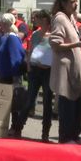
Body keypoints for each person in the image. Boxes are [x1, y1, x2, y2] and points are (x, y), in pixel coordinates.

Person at [49, 0, 81, 144]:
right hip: (66, 72)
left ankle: (74, 136)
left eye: (76, 1)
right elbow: (55, 44)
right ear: (64, 3)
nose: (76, 4)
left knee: (79, 105)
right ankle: (66, 138)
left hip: (76, 70)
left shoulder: (71, 18)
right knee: (68, 107)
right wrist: (77, 44)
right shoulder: (59, 18)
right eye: (72, 2)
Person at [14, 10, 54, 141]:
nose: (37, 21)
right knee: (29, 99)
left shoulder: (54, 35)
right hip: (35, 70)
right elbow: (30, 51)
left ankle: (45, 133)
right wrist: (29, 67)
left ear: (46, 21)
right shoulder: (36, 34)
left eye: (40, 19)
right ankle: (18, 127)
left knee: (47, 102)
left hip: (48, 71)